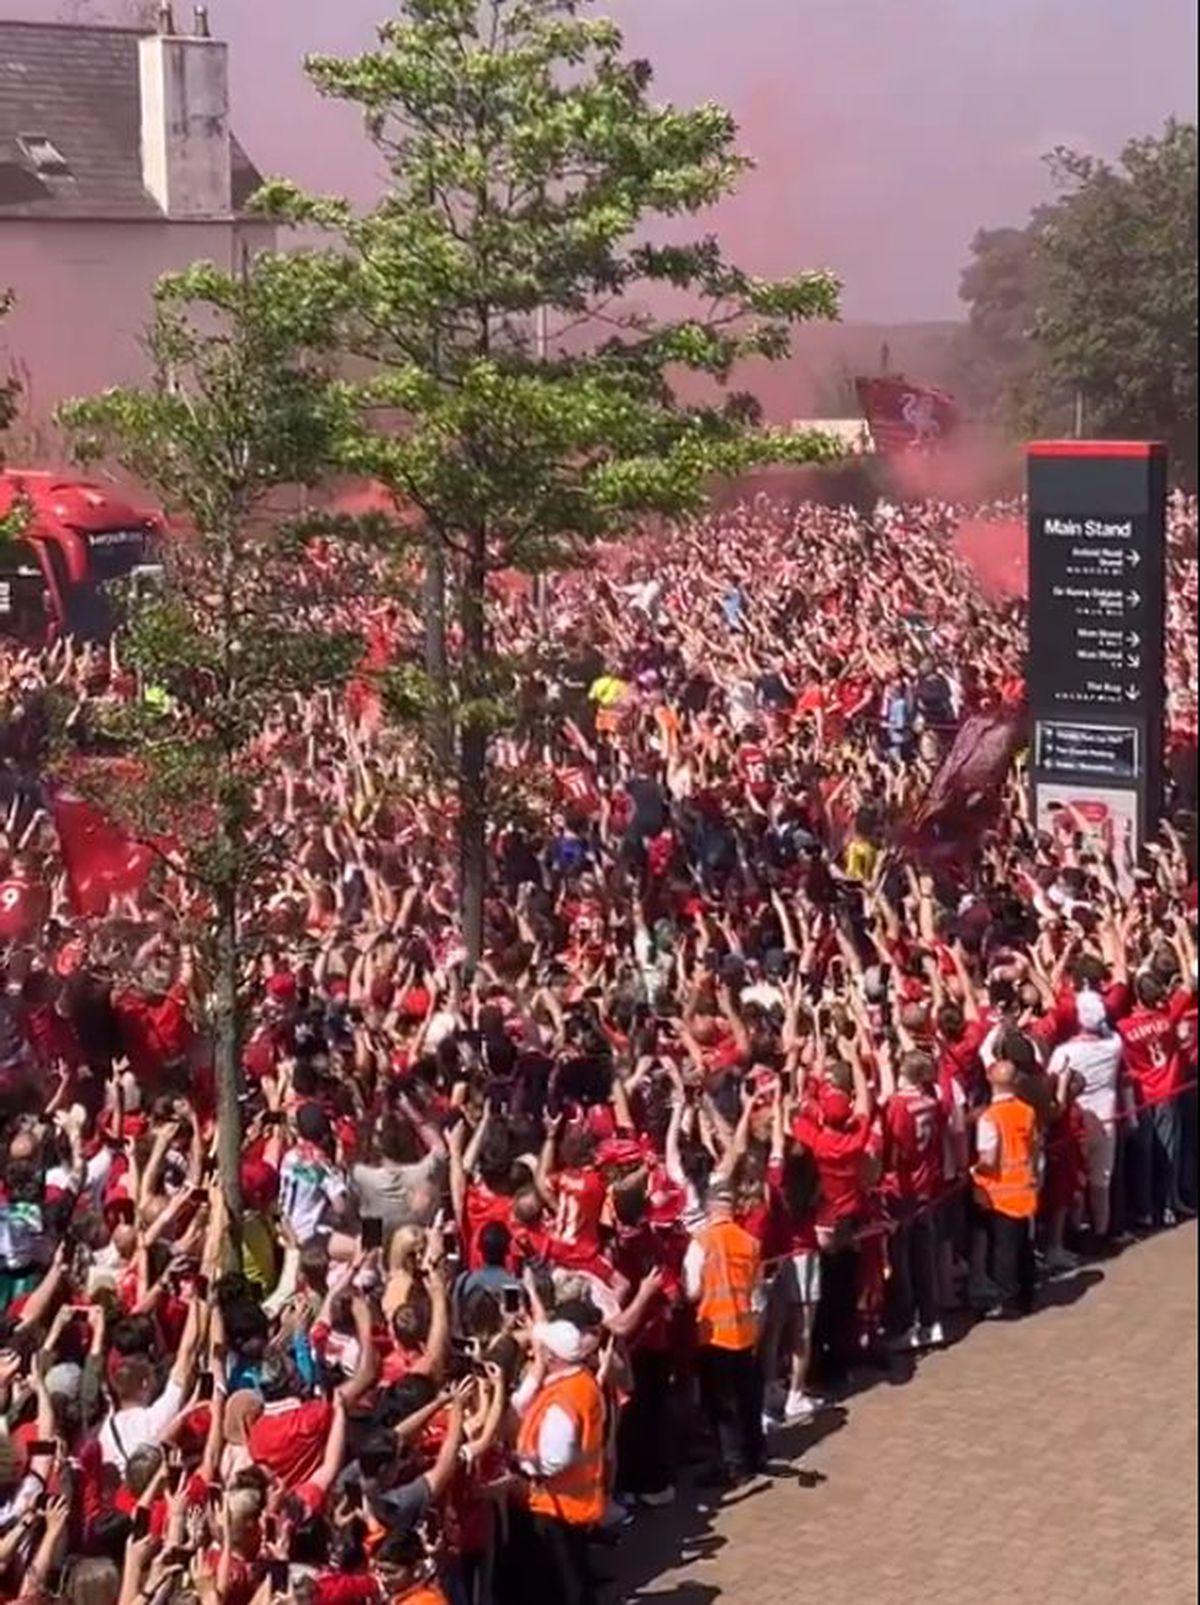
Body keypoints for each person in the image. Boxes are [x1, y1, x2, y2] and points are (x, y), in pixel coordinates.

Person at [513, 1313, 608, 1605]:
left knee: (565, 1584)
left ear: (553, 1357)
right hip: (574, 1501)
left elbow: (555, 1459)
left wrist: (524, 1466)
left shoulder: (564, 1399)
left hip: (557, 1503)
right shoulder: (580, 1381)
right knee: (575, 1576)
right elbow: (520, 1404)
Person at [684, 1180, 764, 1486]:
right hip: (745, 1330)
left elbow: (692, 1291)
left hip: (714, 1332)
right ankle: (756, 1453)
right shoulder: (750, 1242)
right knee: (748, 1397)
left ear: (709, 1208)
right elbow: (756, 1292)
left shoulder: (701, 1242)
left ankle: (732, 1465)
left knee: (721, 1404)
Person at [971, 1059, 1040, 1316]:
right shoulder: (1026, 1111)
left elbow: (988, 1159)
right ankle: (1026, 1296)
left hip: (998, 1193)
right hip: (1023, 1186)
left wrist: (973, 1171)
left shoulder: (990, 1117)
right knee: (1024, 1246)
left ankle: (1007, 1302)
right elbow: (1033, 1147)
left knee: (1003, 1250)